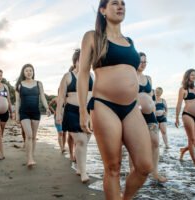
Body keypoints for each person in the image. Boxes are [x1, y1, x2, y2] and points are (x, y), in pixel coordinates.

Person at [77, 0, 153, 199]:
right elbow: (83, 74)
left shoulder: (130, 41)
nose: (120, 6)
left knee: (145, 165)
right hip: (104, 105)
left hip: (131, 108)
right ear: (103, 10)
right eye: (114, 3)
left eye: (123, 4)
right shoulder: (93, 37)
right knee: (113, 167)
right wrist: (83, 111)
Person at [56, 49, 94, 183]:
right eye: (81, 60)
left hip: (89, 113)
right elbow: (61, 97)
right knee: (81, 141)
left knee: (84, 142)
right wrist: (58, 114)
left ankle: (79, 165)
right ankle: (83, 172)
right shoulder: (68, 76)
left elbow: (97, 95)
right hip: (72, 112)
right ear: (75, 62)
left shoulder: (92, 76)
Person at [137, 52, 167, 182]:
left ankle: (155, 172)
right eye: (141, 61)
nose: (143, 64)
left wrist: (153, 108)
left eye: (145, 62)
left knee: (155, 142)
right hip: (135, 114)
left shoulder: (148, 78)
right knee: (136, 145)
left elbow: (150, 96)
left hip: (150, 115)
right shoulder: (130, 75)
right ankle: (134, 172)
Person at [15, 64, 51, 168]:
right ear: (23, 72)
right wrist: (16, 114)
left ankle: (31, 156)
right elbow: (17, 101)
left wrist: (47, 107)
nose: (29, 72)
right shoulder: (19, 85)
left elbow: (43, 97)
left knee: (34, 137)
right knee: (29, 135)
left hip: (36, 112)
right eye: (26, 71)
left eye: (31, 70)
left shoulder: (38, 83)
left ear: (33, 72)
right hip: (24, 112)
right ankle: (29, 159)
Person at [175, 69, 195, 165]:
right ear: (187, 76)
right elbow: (179, 104)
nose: (194, 76)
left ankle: (183, 150)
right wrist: (177, 117)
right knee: (192, 139)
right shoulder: (183, 89)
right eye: (192, 75)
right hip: (188, 115)